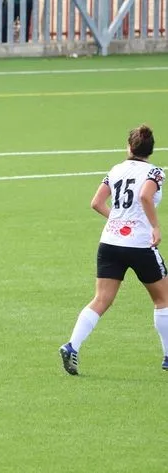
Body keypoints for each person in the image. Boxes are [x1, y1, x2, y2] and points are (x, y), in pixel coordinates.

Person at [59, 125, 167, 376]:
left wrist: (117, 220)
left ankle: (72, 345)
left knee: (102, 299)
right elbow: (144, 196)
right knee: (163, 298)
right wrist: (155, 227)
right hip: (140, 244)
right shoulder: (155, 172)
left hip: (109, 243)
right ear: (151, 150)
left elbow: (96, 202)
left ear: (129, 147)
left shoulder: (116, 169)